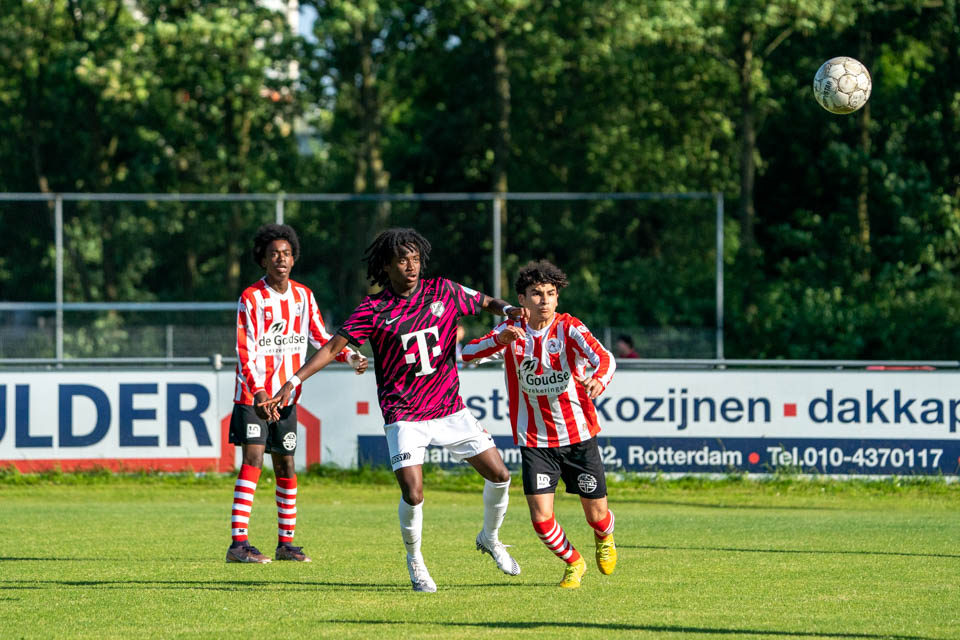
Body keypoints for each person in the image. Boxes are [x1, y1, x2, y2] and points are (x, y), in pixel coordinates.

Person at [261, 227, 527, 592]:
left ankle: (490, 538)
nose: (411, 265)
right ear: (386, 266)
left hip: (449, 408)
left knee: (500, 475)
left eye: (415, 258)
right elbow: (330, 347)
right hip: (404, 414)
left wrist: (509, 308)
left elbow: (484, 302)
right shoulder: (374, 309)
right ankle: (416, 561)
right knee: (413, 492)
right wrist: (294, 379)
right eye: (402, 259)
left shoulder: (443, 291)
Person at [461, 260, 617, 589]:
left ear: (557, 298)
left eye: (550, 293)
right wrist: (500, 340)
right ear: (522, 299)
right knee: (541, 519)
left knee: (596, 516)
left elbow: (604, 358)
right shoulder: (511, 333)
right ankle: (574, 562)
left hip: (578, 436)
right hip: (535, 440)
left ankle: (604, 537)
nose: (544, 300)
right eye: (536, 293)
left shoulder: (569, 328)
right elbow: (467, 353)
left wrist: (599, 380)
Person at [227, 223, 367, 564]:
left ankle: (285, 544)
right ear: (262, 260)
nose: (281, 260)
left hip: (288, 397)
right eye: (274, 254)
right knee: (254, 460)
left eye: (287, 254)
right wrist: (259, 392)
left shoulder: (303, 296)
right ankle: (239, 544)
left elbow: (321, 337)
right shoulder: (252, 298)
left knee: (287, 464)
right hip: (253, 396)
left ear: (294, 259)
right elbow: (245, 350)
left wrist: (349, 356)